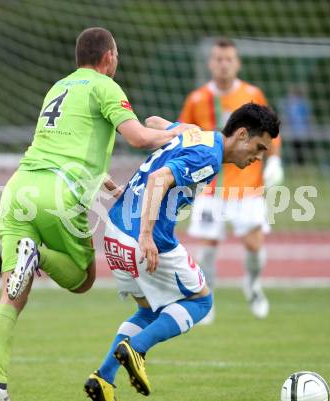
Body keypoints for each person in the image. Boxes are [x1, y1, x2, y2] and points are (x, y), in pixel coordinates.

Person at [0, 27, 189, 401]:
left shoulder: (58, 87)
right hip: (59, 195)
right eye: (117, 56)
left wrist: (110, 188)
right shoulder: (104, 86)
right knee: (82, 280)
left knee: (9, 301)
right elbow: (139, 137)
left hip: (17, 189)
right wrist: (182, 134)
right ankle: (38, 254)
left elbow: (65, 149)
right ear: (108, 57)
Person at [84, 103, 280, 401]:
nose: (258, 158)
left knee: (150, 311)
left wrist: (173, 127)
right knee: (201, 301)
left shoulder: (198, 136)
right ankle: (136, 350)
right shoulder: (209, 156)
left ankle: (104, 378)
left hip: (114, 231)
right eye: (259, 147)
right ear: (241, 134)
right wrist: (147, 236)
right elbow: (158, 178)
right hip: (146, 237)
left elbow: (152, 119)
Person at [179, 38, 284, 322]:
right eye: (218, 59)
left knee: (253, 245)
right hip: (211, 186)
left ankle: (253, 285)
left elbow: (271, 133)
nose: (223, 64)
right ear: (210, 63)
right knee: (208, 248)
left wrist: (274, 160)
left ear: (237, 63)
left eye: (228, 59)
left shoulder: (252, 94)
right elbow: (184, 133)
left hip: (247, 186)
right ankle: (206, 299)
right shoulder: (197, 98)